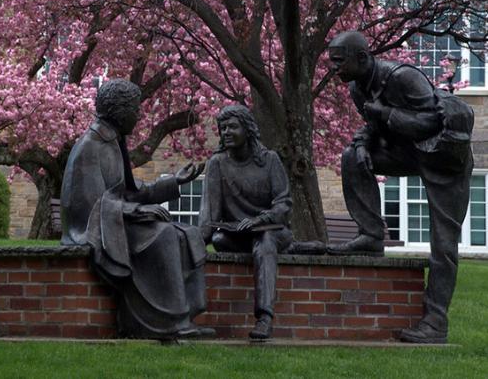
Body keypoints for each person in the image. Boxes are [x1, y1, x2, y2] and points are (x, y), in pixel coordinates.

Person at [327, 31, 474, 343]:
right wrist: (365, 143)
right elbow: (374, 126)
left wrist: (386, 113)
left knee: (443, 245)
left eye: (339, 62)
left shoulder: (404, 77)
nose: (334, 68)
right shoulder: (357, 87)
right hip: (408, 152)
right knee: (352, 156)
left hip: (443, 159)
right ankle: (370, 234)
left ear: (362, 58)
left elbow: (434, 121)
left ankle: (435, 324)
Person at [60, 78, 214, 339]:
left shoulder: (112, 142)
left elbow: (131, 191)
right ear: (119, 110)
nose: (139, 115)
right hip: (96, 228)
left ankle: (186, 314)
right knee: (164, 235)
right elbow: (93, 204)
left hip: (116, 221)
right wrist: (135, 211)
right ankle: (165, 323)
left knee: (186, 233)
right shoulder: (90, 146)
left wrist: (174, 181)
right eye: (135, 109)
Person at [199, 105, 294, 339]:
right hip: (237, 235)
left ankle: (264, 317)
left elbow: (284, 205)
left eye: (232, 127)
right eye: (222, 128)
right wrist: (194, 243)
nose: (226, 132)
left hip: (271, 230)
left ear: (247, 129)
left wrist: (260, 220)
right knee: (220, 239)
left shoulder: (270, 160)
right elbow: (209, 215)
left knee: (265, 239)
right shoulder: (217, 164)